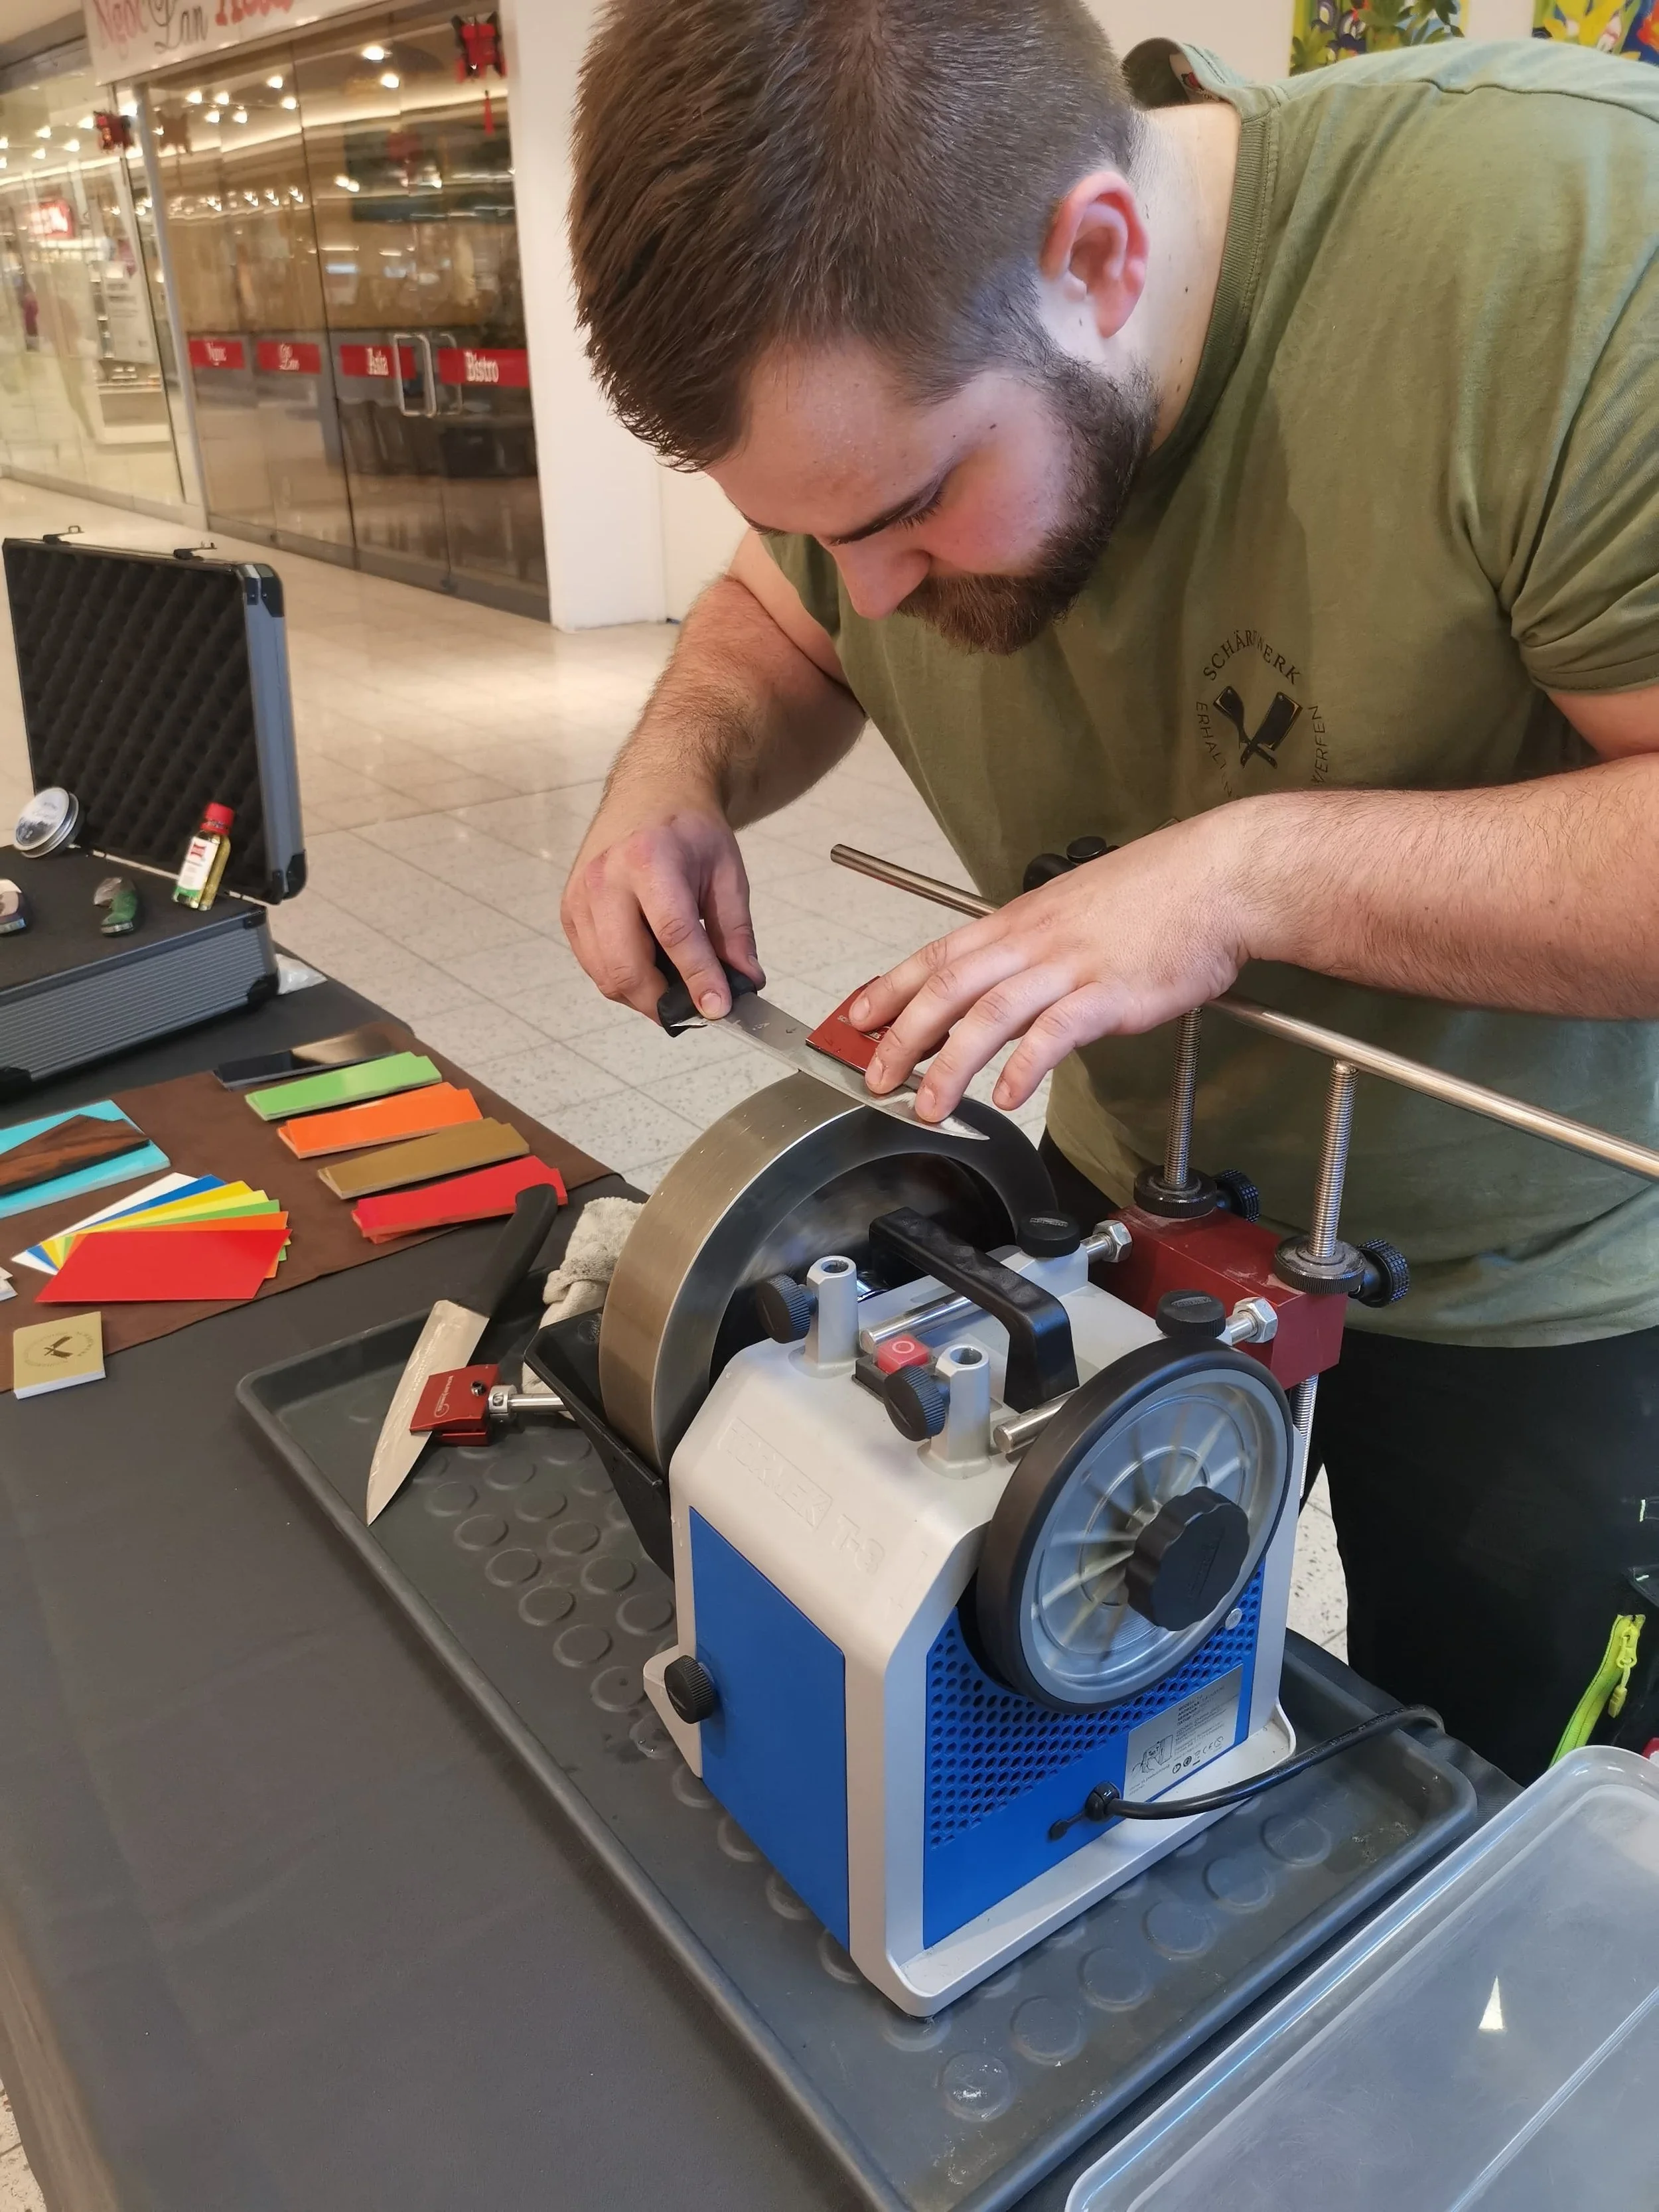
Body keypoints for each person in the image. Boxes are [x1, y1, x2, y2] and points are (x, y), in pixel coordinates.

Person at [559, 0, 1659, 1781]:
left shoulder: (1564, 244)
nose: (876, 592)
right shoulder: (894, 367)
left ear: (1096, 251)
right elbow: (776, 617)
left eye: (911, 507)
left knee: (1481, 1798)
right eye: (817, 522)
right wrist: (670, 771)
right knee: (1075, 1706)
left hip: (1541, 1296)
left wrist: (1249, 869)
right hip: (1124, 1193)